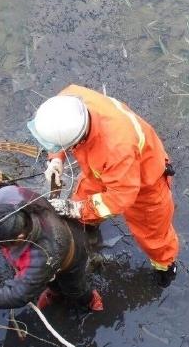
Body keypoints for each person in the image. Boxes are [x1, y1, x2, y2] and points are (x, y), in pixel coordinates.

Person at [27, 84, 179, 287]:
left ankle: (165, 267)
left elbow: (120, 198)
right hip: (98, 170)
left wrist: (78, 209)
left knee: (153, 234)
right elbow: (58, 134)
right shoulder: (68, 103)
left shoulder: (117, 147)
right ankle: (87, 228)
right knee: (80, 200)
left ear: (76, 140)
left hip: (145, 183)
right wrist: (55, 159)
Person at [0, 185, 103, 311]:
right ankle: (55, 293)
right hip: (56, 241)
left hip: (71, 255)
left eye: (0, 245)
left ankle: (90, 300)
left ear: (20, 238)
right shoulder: (5, 196)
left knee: (73, 288)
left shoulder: (43, 252)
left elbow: (18, 295)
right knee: (52, 283)